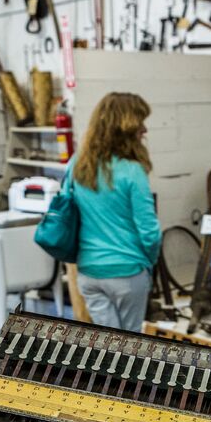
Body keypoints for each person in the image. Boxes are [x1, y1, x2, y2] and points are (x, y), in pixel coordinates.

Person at [70, 92, 161, 333]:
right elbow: (150, 233)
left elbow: (67, 210)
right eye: (140, 122)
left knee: (107, 348)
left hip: (89, 274)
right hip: (127, 274)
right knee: (130, 349)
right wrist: (148, 263)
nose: (145, 130)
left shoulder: (77, 164)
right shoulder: (132, 172)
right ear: (126, 128)